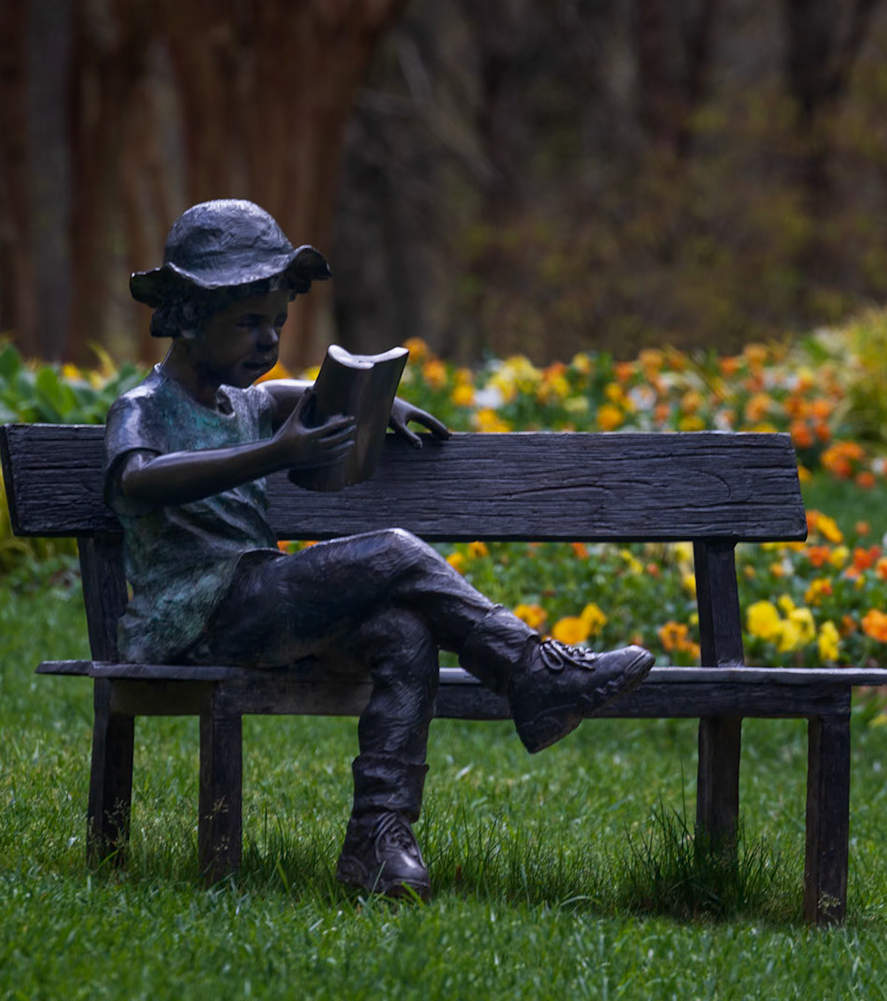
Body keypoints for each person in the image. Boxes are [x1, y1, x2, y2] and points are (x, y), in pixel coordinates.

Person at [104, 198, 653, 901]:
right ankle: (530, 670)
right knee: (393, 549)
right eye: (247, 323)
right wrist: (273, 455)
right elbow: (137, 480)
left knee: (402, 632)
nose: (267, 341)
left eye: (277, 323)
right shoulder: (145, 406)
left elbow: (295, 392)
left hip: (247, 602)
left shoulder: (242, 403)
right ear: (184, 313)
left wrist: (377, 403)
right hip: (191, 618)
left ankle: (378, 839)